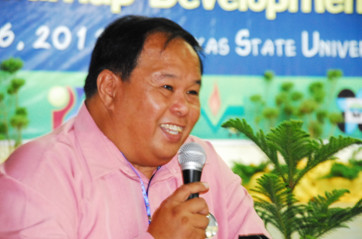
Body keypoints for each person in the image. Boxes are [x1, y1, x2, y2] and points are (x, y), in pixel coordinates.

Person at [0, 15, 270, 239]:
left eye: (191, 92)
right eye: (167, 87)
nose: (184, 108)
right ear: (109, 89)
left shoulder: (201, 160)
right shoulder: (40, 172)